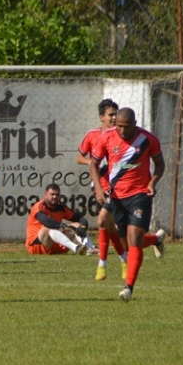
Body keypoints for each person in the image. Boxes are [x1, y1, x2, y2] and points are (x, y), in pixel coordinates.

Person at [91, 108, 166, 302]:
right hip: (116, 197)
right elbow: (93, 164)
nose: (122, 130)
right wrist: (99, 189)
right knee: (128, 244)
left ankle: (129, 288)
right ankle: (157, 240)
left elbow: (160, 164)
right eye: (119, 126)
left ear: (135, 122)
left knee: (134, 239)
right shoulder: (106, 137)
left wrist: (152, 183)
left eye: (126, 126)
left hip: (140, 195)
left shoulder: (148, 139)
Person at [76, 98, 128, 280]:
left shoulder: (122, 136)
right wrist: (94, 163)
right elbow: (79, 157)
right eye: (110, 115)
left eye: (116, 114)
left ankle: (116, 260)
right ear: (101, 117)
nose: (114, 118)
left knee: (113, 227)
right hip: (100, 186)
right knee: (106, 224)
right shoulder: (93, 135)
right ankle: (114, 261)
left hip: (119, 187)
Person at [25, 183, 96, 256]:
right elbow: (46, 221)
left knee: (77, 225)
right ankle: (76, 248)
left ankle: (91, 248)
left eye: (57, 194)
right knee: (48, 228)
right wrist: (64, 226)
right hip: (36, 246)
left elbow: (80, 218)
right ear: (45, 194)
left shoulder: (61, 207)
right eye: (52, 194)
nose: (55, 197)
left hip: (55, 245)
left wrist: (83, 226)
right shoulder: (39, 206)